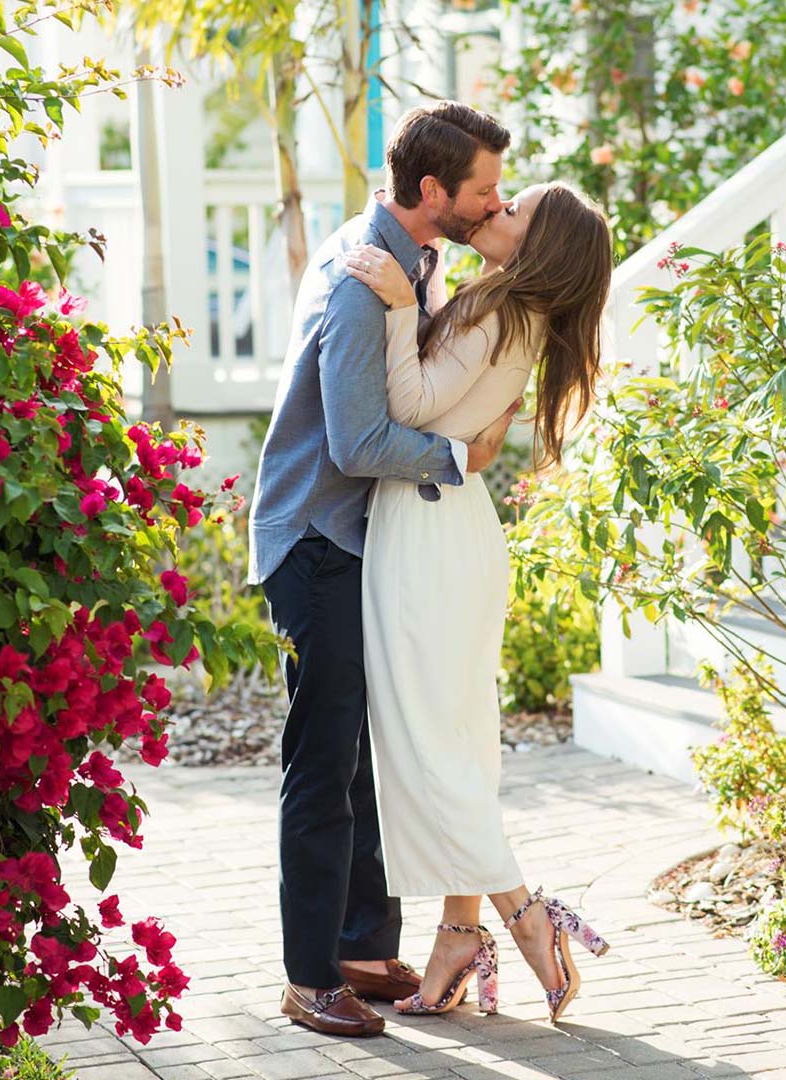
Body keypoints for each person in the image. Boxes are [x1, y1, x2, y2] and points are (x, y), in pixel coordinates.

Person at [247, 101, 521, 1038]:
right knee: (323, 762)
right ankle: (307, 974)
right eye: (485, 189)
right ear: (434, 191)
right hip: (318, 538)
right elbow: (361, 440)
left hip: (360, 540)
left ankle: (363, 946)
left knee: (368, 751)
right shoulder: (362, 282)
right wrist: (461, 459)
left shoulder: (414, 259)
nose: (497, 202)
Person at [343, 180, 613, 1024]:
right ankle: (460, 932)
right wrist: (417, 300)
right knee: (452, 739)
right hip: (446, 524)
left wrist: (393, 308)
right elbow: (451, 416)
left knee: (424, 741)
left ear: (541, 248)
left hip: (426, 532)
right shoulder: (501, 307)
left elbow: (410, 406)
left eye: (512, 212)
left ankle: (524, 915)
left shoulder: (502, 311)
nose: (492, 214)